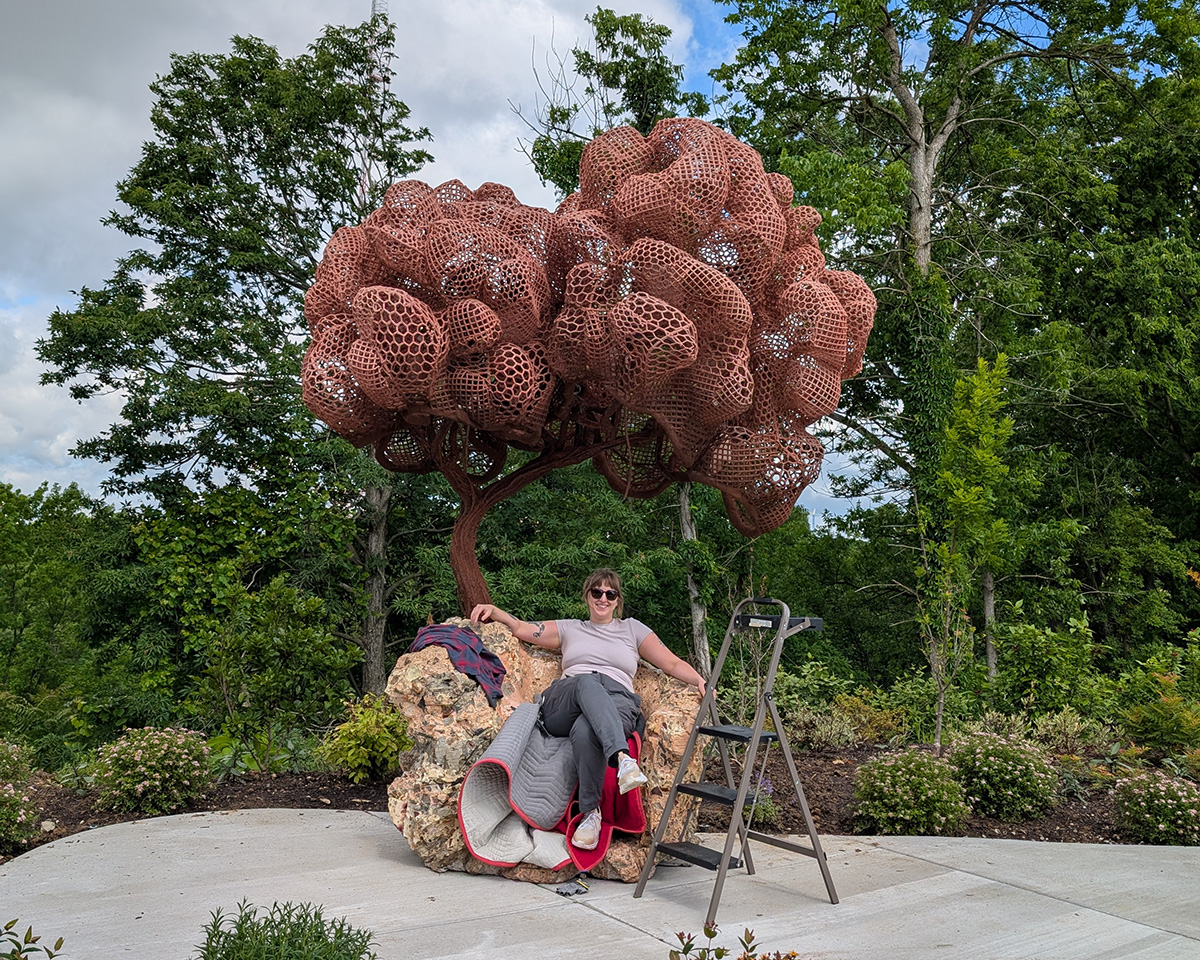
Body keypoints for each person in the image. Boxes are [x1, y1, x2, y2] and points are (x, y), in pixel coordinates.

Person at [470, 568, 706, 850]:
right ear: (587, 596)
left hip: (616, 699)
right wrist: (495, 610)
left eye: (610, 593)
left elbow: (671, 664)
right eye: (597, 592)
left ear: (617, 600)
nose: (603, 598)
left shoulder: (632, 629)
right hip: (567, 698)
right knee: (586, 682)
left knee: (586, 730)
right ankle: (622, 757)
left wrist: (701, 681)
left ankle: (591, 814)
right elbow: (522, 628)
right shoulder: (571, 628)